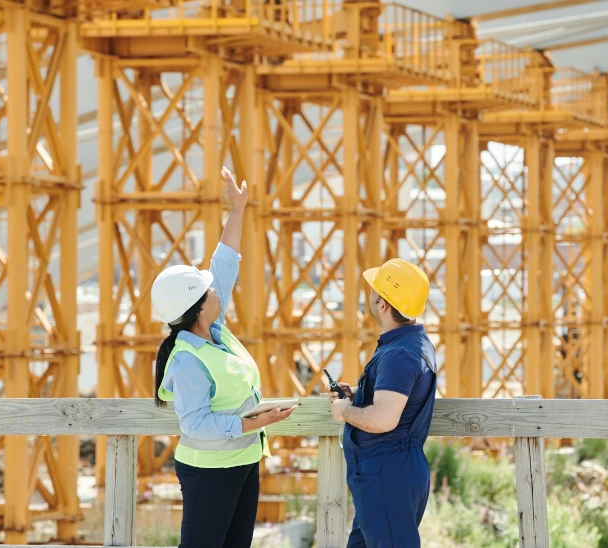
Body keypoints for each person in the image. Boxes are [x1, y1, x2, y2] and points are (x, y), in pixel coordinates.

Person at [151, 167, 295, 548]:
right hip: (209, 470)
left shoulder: (215, 331)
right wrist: (253, 423)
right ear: (199, 308)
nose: (215, 288)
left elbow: (225, 266)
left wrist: (238, 209)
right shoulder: (186, 360)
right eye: (207, 289)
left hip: (243, 461)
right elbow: (195, 424)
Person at [328, 258, 437, 547]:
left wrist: (345, 411)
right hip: (389, 472)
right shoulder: (413, 343)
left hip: (387, 473)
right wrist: (359, 393)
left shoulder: (399, 353)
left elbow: (384, 419)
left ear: (383, 304)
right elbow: (398, 397)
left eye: (374, 291)